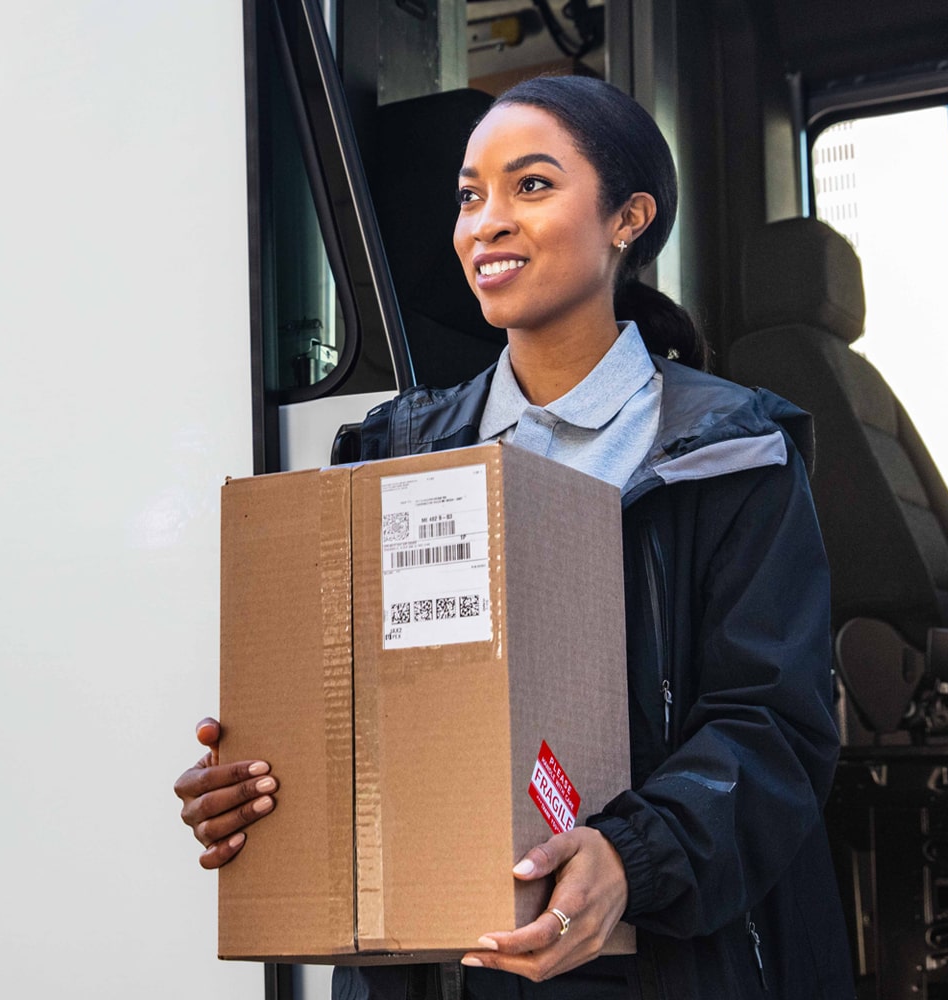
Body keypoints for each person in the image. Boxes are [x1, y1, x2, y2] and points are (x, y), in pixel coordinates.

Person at [174, 75, 853, 999]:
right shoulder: (390, 450)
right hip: (430, 971)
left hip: (647, 964)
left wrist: (631, 858)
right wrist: (253, 784)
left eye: (531, 186)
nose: (485, 223)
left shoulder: (729, 451)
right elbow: (352, 716)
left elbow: (773, 727)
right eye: (469, 196)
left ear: (628, 219)